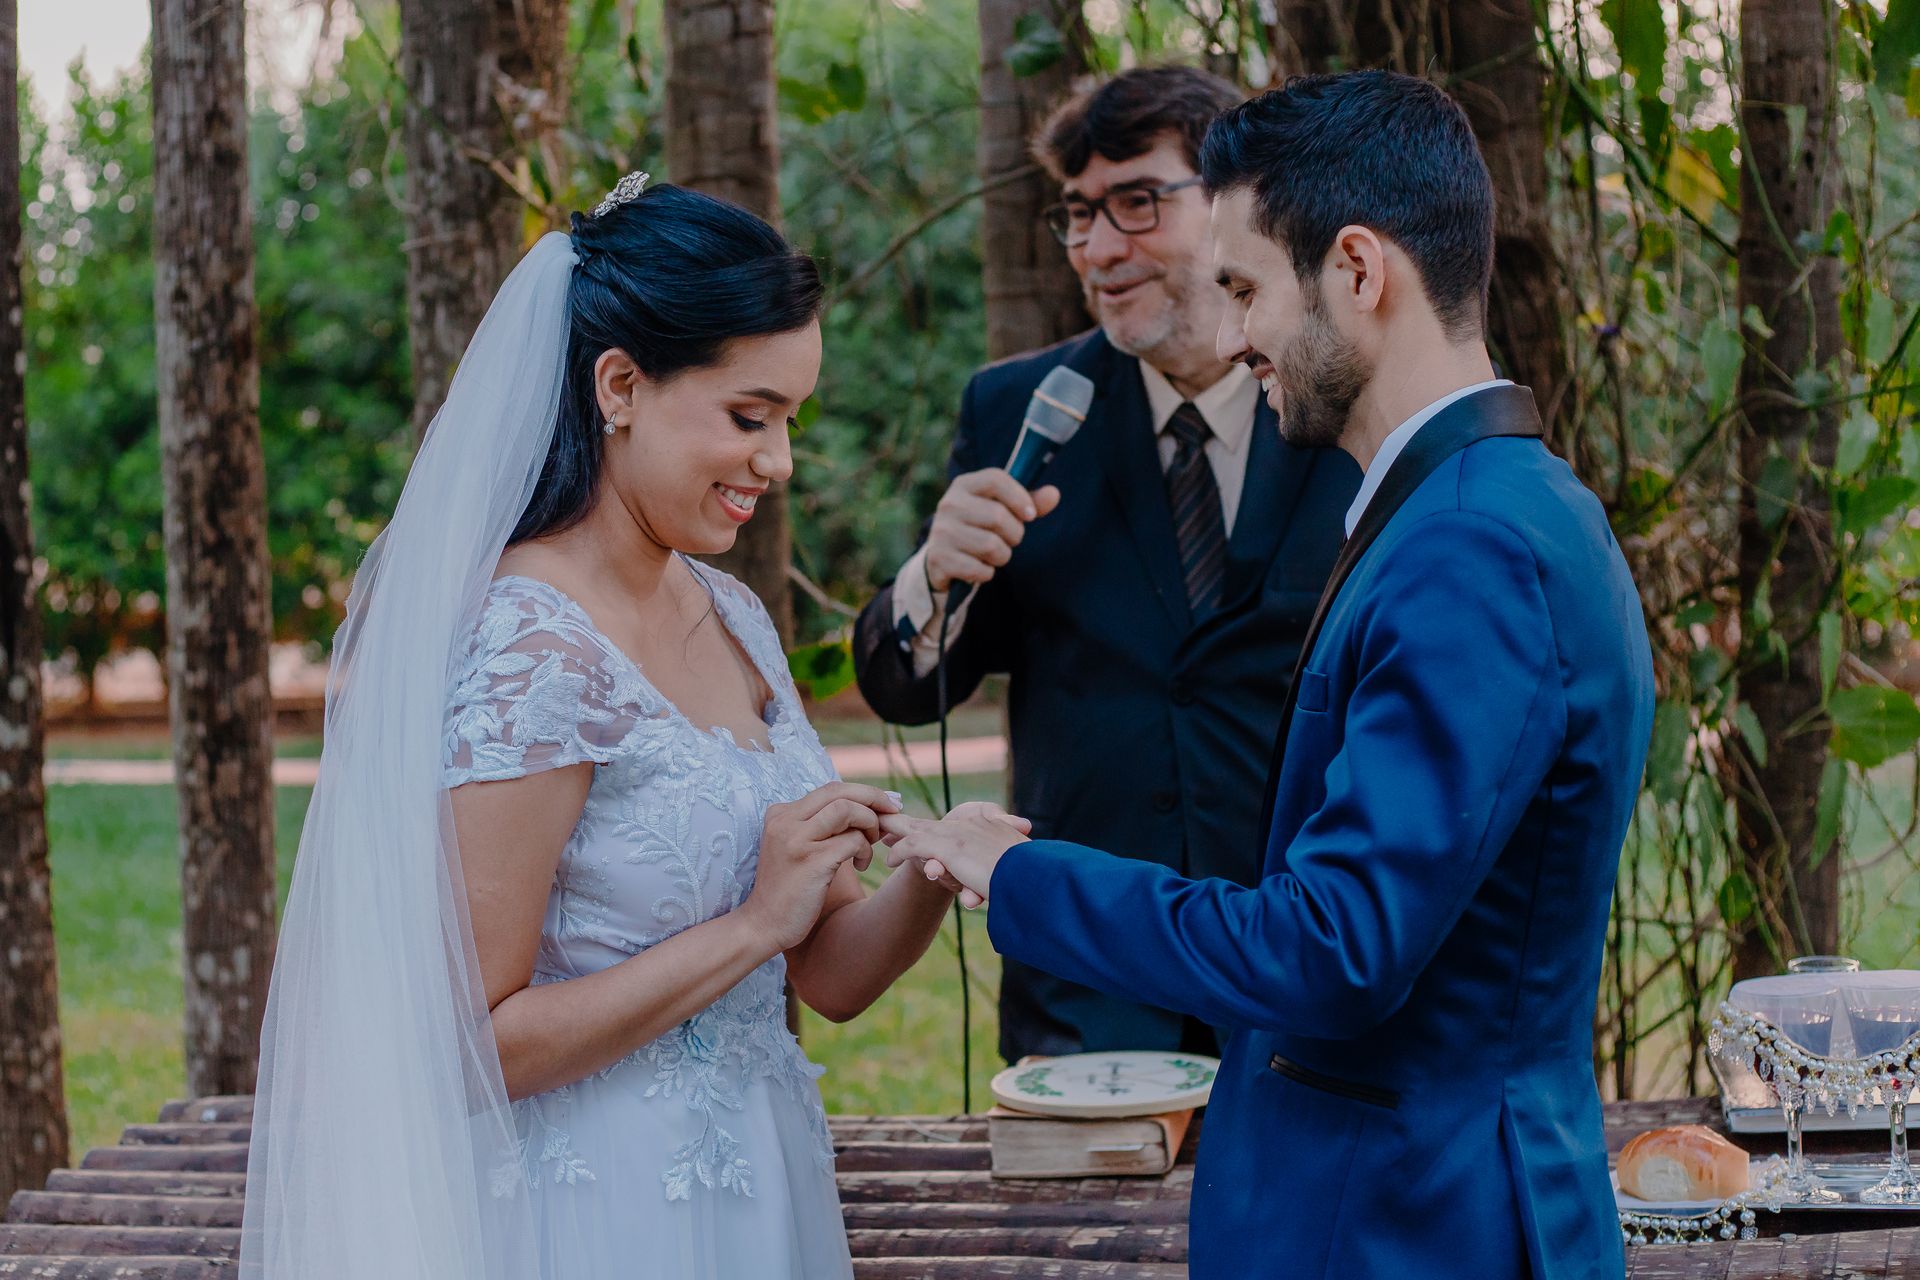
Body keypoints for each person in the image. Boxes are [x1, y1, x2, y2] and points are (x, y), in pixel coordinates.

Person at [882, 71, 1656, 1280]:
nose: (1234, 333)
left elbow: (1334, 947)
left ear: (1357, 270)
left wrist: (1021, 871)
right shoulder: (1502, 504)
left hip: (1407, 1221)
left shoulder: (1469, 548)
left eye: (1246, 287)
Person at [240, 178, 1000, 1280]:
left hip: (762, 1188)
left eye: (790, 419)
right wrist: (748, 927)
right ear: (621, 385)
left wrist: (932, 867)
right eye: (750, 416)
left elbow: (827, 970)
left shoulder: (733, 615)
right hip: (600, 1212)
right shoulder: (533, 646)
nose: (778, 462)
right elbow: (471, 1043)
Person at [851, 66, 1359, 1064]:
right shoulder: (1016, 408)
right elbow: (904, 685)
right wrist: (932, 578)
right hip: (1086, 1000)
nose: (1098, 246)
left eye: (1137, 203)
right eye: (1081, 214)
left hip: (1302, 982)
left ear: (1233, 205)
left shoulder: (1340, 399)